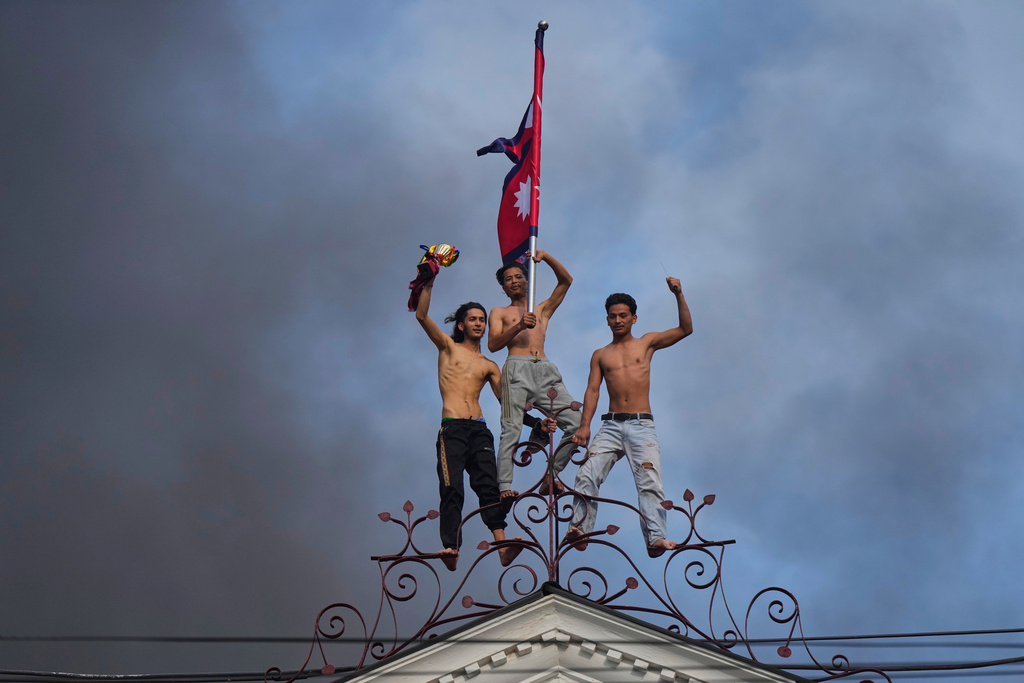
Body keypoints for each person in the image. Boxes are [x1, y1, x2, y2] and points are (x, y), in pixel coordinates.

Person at [566, 277, 693, 557]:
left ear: (634, 318)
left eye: (623, 315)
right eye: (612, 316)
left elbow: (686, 329)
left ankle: (656, 537)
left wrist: (678, 294)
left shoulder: (646, 343)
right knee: (586, 473)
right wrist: (585, 425)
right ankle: (580, 530)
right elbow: (592, 389)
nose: (617, 320)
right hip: (610, 425)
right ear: (607, 320)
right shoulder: (601, 354)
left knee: (649, 480)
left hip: (641, 424)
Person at [415, 274, 523, 571]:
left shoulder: (489, 365)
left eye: (482, 319)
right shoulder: (448, 347)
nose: (479, 323)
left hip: (479, 429)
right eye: (473, 319)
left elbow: (508, 403)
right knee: (453, 488)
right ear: (462, 324)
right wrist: (430, 281)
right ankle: (451, 547)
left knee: (489, 486)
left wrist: (537, 423)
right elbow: (422, 316)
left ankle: (502, 547)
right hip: (452, 429)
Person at [488, 250, 582, 501]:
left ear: (528, 281)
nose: (515, 281)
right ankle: (504, 485)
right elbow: (493, 344)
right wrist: (519, 325)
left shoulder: (541, 310)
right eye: (508, 279)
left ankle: (551, 475)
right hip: (516, 368)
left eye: (519, 276)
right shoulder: (499, 312)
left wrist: (546, 257)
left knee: (577, 424)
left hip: (544, 369)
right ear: (504, 288)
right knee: (511, 428)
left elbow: (566, 281)